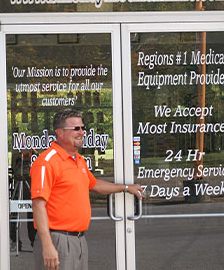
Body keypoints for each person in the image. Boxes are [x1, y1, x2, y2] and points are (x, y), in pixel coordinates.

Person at [30, 108, 142, 270]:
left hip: (79, 240)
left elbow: (94, 184)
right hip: (58, 240)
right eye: (76, 128)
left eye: (83, 128)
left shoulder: (78, 160)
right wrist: (47, 246)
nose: (82, 132)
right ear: (59, 132)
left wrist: (125, 188)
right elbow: (38, 205)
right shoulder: (46, 162)